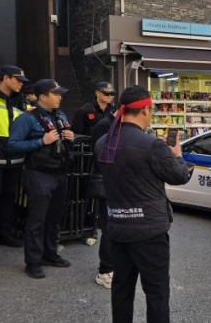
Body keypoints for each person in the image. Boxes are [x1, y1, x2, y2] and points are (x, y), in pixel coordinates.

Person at [95, 85, 189, 323]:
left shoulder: (103, 143)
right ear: (146, 110)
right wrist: (177, 154)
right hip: (149, 231)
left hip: (117, 226)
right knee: (156, 292)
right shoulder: (152, 145)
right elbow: (179, 176)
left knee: (121, 289)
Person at [8, 79, 74, 278]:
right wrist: (41, 141)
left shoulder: (59, 115)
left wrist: (71, 138)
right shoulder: (26, 118)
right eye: (56, 94)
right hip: (38, 174)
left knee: (54, 218)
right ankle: (33, 261)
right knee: (37, 219)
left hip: (59, 172)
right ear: (43, 96)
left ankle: (50, 254)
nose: (60, 97)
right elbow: (12, 146)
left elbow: (62, 142)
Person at [0, 65, 29, 252]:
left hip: (15, 160)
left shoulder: (22, 102)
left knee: (9, 197)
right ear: (6, 78)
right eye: (18, 80)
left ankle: (5, 233)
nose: (21, 84)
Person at [90, 111, 116, 289]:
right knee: (108, 229)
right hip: (106, 184)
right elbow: (100, 156)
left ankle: (112, 267)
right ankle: (105, 271)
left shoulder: (122, 128)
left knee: (115, 228)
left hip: (117, 185)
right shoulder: (103, 127)